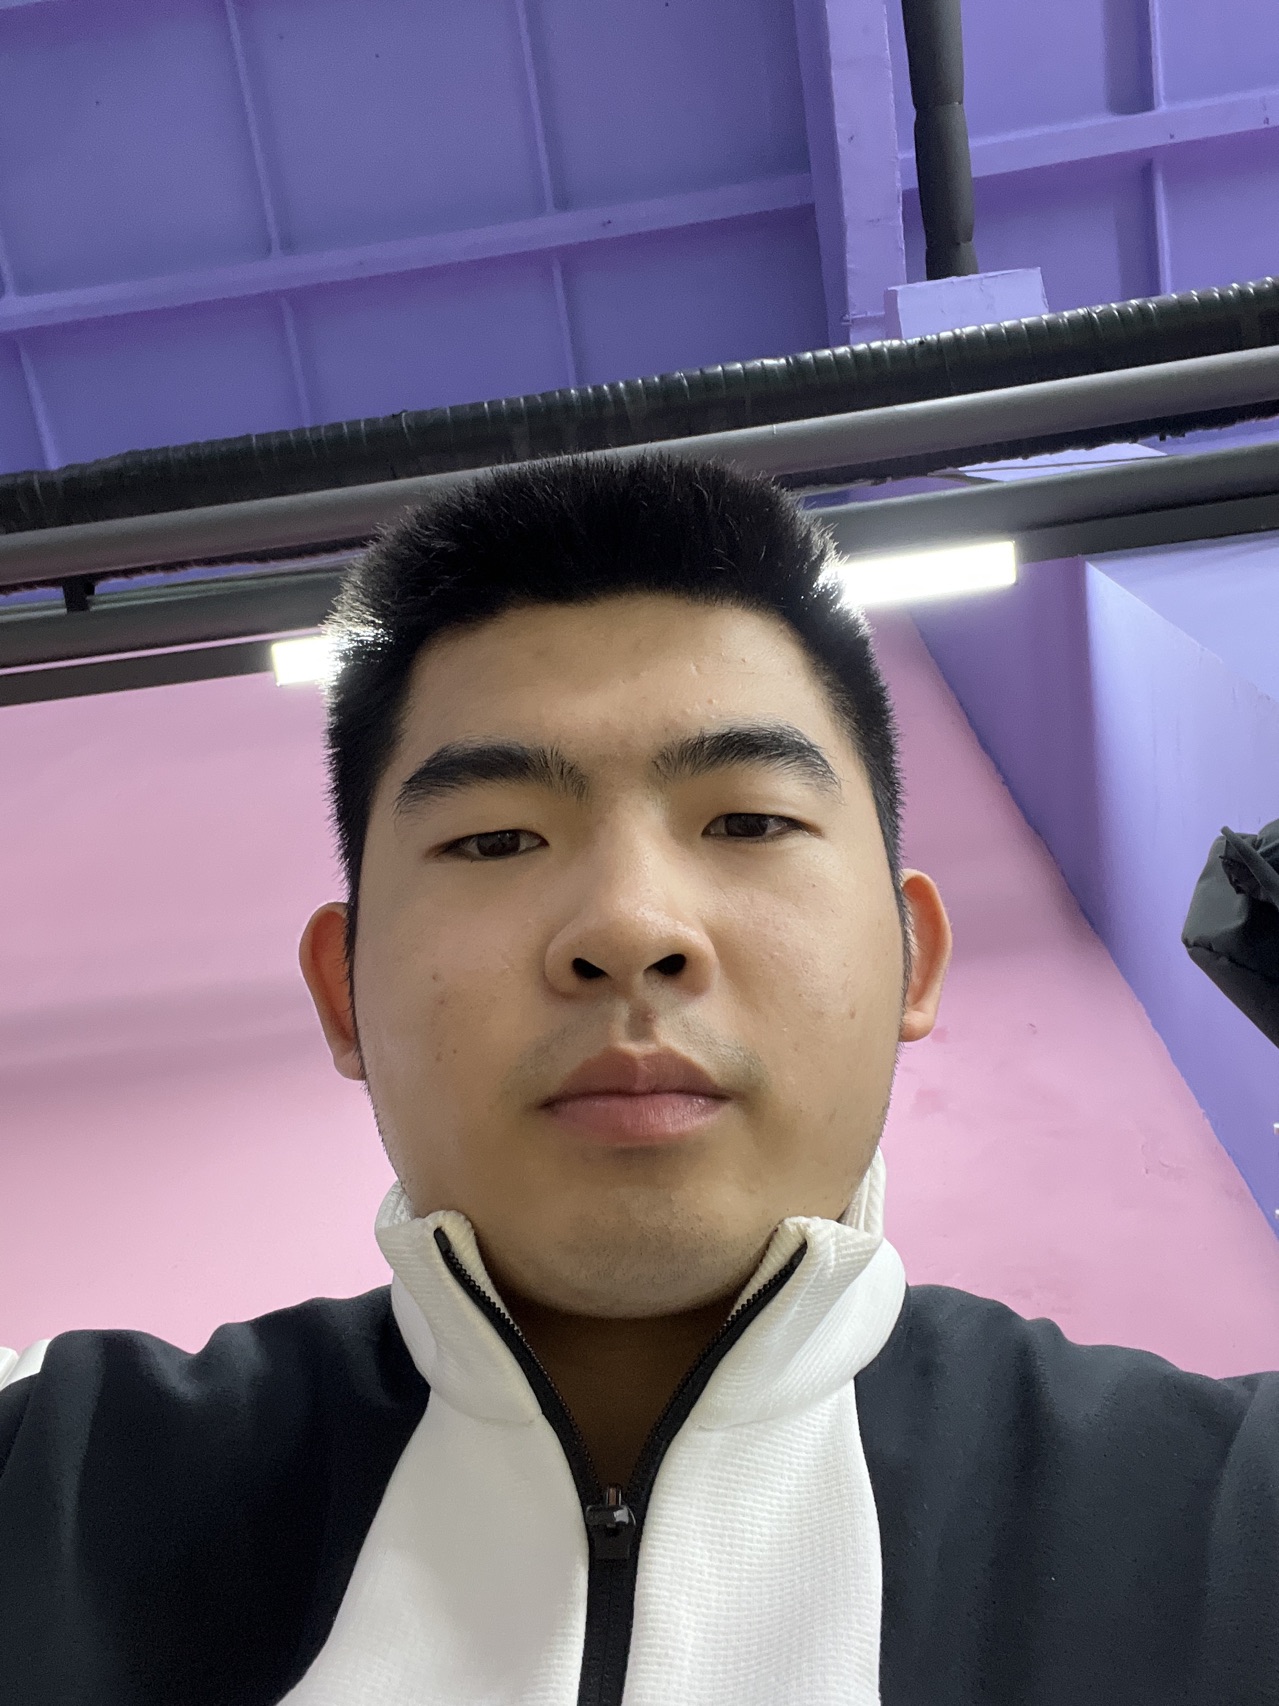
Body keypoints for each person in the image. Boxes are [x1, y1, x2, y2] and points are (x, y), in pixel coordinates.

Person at [1, 454, 1276, 1706]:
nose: (627, 923)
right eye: (494, 837)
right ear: (343, 992)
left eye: (749, 820)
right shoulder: (52, 1485)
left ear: (913, 959)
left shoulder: (1233, 1517)